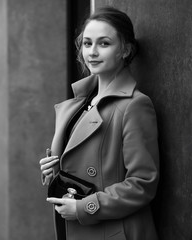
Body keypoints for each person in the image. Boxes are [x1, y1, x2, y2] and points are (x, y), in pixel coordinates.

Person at [39, 6, 159, 240]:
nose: (92, 52)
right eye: (87, 43)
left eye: (104, 43)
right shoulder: (79, 103)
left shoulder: (134, 105)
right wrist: (53, 170)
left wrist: (85, 208)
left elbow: (142, 183)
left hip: (111, 230)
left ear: (125, 50)